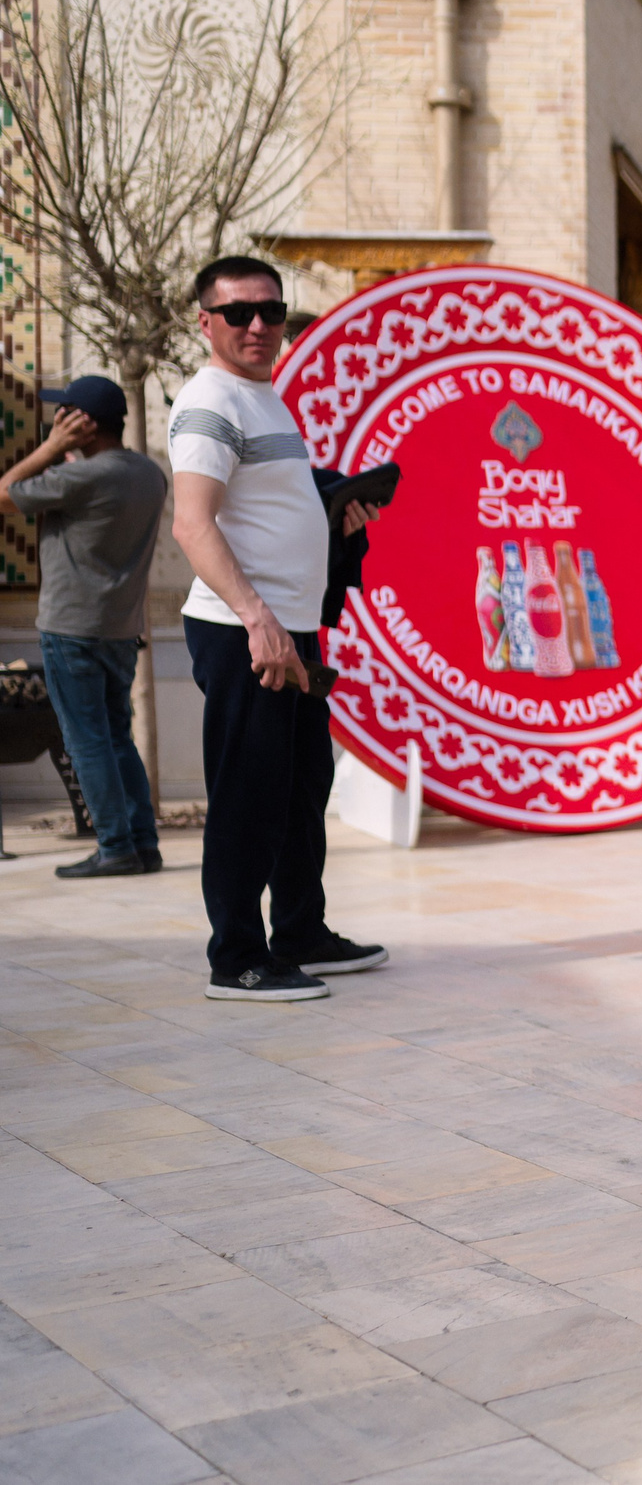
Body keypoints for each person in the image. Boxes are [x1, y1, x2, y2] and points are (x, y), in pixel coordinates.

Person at [168, 256, 386, 1002]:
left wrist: (335, 515)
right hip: (245, 632)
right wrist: (257, 618)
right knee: (249, 792)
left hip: (287, 629)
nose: (257, 325)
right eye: (237, 313)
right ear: (206, 322)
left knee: (300, 786)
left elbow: (263, 512)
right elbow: (192, 524)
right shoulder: (211, 401)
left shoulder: (265, 399)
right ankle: (237, 956)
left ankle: (300, 930)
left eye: (271, 311)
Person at [0, 375, 168, 877]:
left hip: (72, 629)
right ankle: (143, 844)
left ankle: (115, 846)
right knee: (117, 736)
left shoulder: (82, 478)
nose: (54, 421)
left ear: (82, 424)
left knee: (86, 739)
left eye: (61, 414)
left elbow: (5, 492)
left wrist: (50, 448)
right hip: (120, 628)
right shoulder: (149, 473)